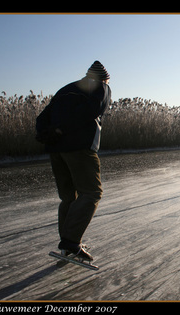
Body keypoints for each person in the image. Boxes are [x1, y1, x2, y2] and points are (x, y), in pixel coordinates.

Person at [36, 61, 111, 261]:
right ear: (104, 78)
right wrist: (63, 129)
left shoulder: (67, 89)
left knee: (69, 197)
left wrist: (45, 133)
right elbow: (91, 111)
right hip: (79, 148)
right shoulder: (101, 87)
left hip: (56, 149)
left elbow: (42, 117)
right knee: (92, 193)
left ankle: (66, 243)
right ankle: (70, 241)